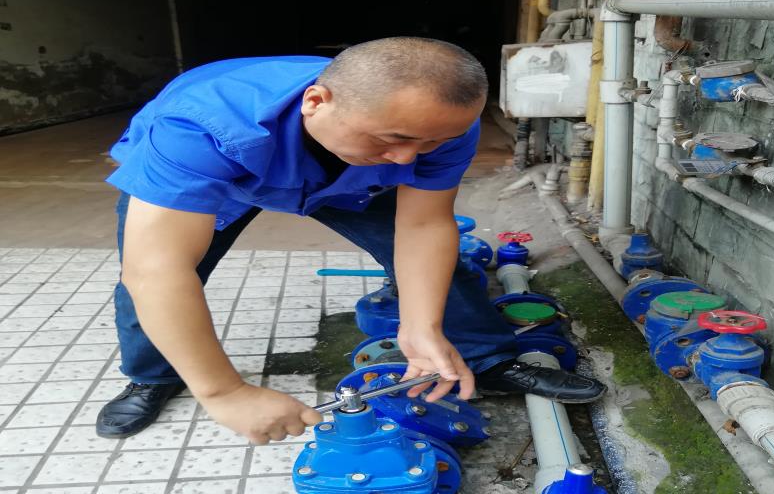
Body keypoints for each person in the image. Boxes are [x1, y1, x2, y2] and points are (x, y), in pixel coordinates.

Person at [96, 37, 605, 442]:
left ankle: (482, 357)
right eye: (394, 138)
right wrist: (224, 392)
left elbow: (424, 225)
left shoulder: (442, 125)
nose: (409, 159)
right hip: (228, 170)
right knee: (151, 278)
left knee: (443, 262)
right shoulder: (197, 128)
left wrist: (420, 324)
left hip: (352, 177)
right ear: (316, 102)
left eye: (432, 143)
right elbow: (156, 270)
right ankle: (153, 376)